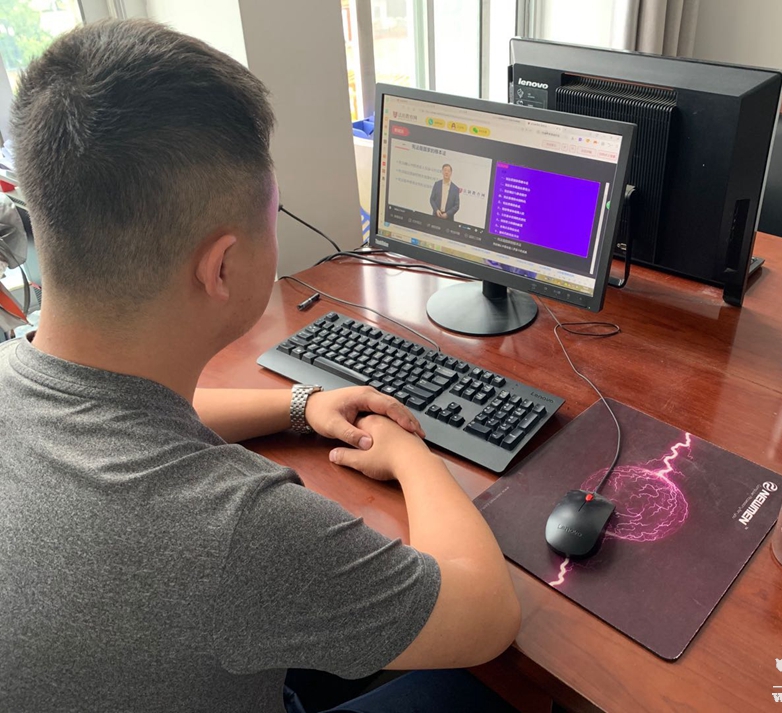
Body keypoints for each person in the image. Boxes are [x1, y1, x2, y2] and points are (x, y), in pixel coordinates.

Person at [0, 19, 520, 713]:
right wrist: (408, 451)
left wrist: (301, 404)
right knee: (483, 692)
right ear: (220, 267)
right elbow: (486, 614)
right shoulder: (235, 529)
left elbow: (117, 417)